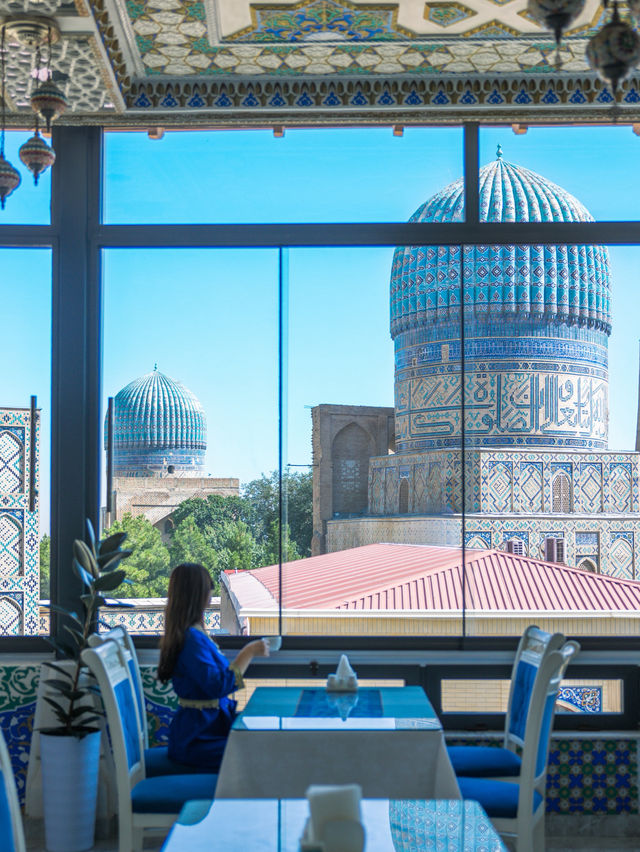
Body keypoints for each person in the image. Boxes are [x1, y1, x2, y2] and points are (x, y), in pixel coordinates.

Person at [157, 562, 269, 771]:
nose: (211, 591)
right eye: (208, 586)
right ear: (197, 593)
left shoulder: (194, 634)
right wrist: (249, 652)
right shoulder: (192, 640)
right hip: (198, 738)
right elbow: (218, 686)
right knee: (259, 751)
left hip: (205, 729)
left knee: (261, 741)